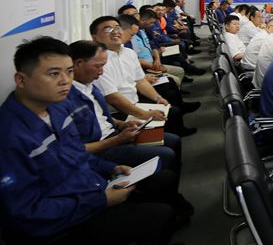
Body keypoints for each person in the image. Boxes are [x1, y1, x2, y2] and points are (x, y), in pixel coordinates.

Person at [0, 37, 181, 245]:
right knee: (160, 215)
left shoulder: (54, 110)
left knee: (163, 180)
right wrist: (101, 200)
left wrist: (111, 168)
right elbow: (26, 214)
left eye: (69, 72)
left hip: (87, 187)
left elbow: (75, 154)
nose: (65, 81)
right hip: (61, 220)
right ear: (21, 80)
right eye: (53, 74)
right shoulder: (10, 137)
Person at [66, 40, 182, 172]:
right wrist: (118, 139)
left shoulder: (89, 86)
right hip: (102, 146)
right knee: (166, 155)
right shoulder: (67, 98)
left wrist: (121, 124)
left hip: (114, 133)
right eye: (98, 66)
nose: (101, 72)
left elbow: (100, 116)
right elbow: (75, 148)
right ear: (78, 64)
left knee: (174, 141)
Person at [90, 16, 197, 137]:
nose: (115, 31)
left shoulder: (129, 53)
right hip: (118, 112)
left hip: (135, 101)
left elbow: (140, 81)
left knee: (171, 109)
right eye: (107, 29)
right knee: (170, 120)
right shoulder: (98, 62)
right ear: (95, 37)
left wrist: (157, 98)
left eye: (117, 27)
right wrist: (143, 114)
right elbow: (113, 98)